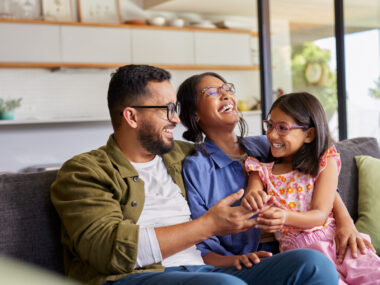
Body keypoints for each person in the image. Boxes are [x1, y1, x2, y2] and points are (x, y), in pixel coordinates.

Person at [51, 65, 339, 285]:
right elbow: (108, 250)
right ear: (131, 116)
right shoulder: (83, 172)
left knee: (313, 264)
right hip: (138, 276)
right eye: (166, 110)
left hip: (206, 270)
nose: (175, 119)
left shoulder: (182, 155)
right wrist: (209, 225)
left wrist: (345, 222)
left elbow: (310, 169)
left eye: (175, 109)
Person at [177, 71, 374, 270]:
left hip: (310, 242)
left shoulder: (268, 144)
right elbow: (200, 241)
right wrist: (233, 261)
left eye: (227, 89)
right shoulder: (197, 167)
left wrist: (346, 222)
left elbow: (316, 181)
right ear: (194, 113)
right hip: (257, 259)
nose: (226, 95)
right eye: (211, 92)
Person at [243, 92, 380, 284]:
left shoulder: (324, 162)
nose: (272, 135)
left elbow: (320, 214)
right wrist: (253, 198)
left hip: (337, 241)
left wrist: (285, 217)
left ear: (309, 134)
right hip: (301, 254)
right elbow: (253, 193)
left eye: (283, 128)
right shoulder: (261, 170)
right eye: (270, 125)